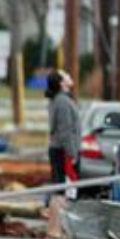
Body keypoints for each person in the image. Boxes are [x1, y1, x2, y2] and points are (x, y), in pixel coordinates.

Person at [45, 70, 80, 213]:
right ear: (61, 83)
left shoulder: (61, 99)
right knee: (62, 189)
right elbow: (65, 130)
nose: (69, 76)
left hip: (59, 149)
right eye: (66, 75)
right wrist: (72, 153)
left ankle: (57, 222)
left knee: (59, 187)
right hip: (63, 150)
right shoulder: (62, 102)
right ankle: (57, 224)